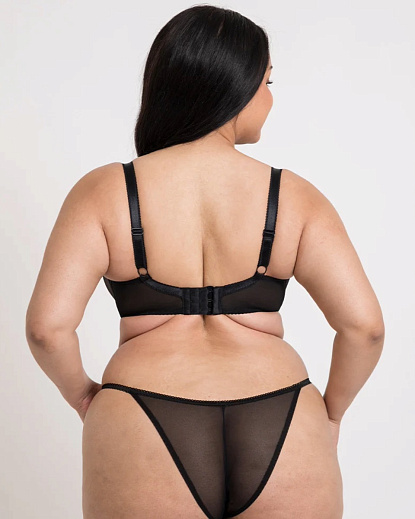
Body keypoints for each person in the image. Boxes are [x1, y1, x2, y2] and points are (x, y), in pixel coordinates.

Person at [25, 5, 384, 519]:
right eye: (267, 82)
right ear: (233, 86)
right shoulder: (295, 196)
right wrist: (331, 416)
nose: (270, 98)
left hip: (140, 409)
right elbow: (365, 328)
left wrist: (84, 397)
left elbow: (47, 329)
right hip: (283, 412)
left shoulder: (104, 191)